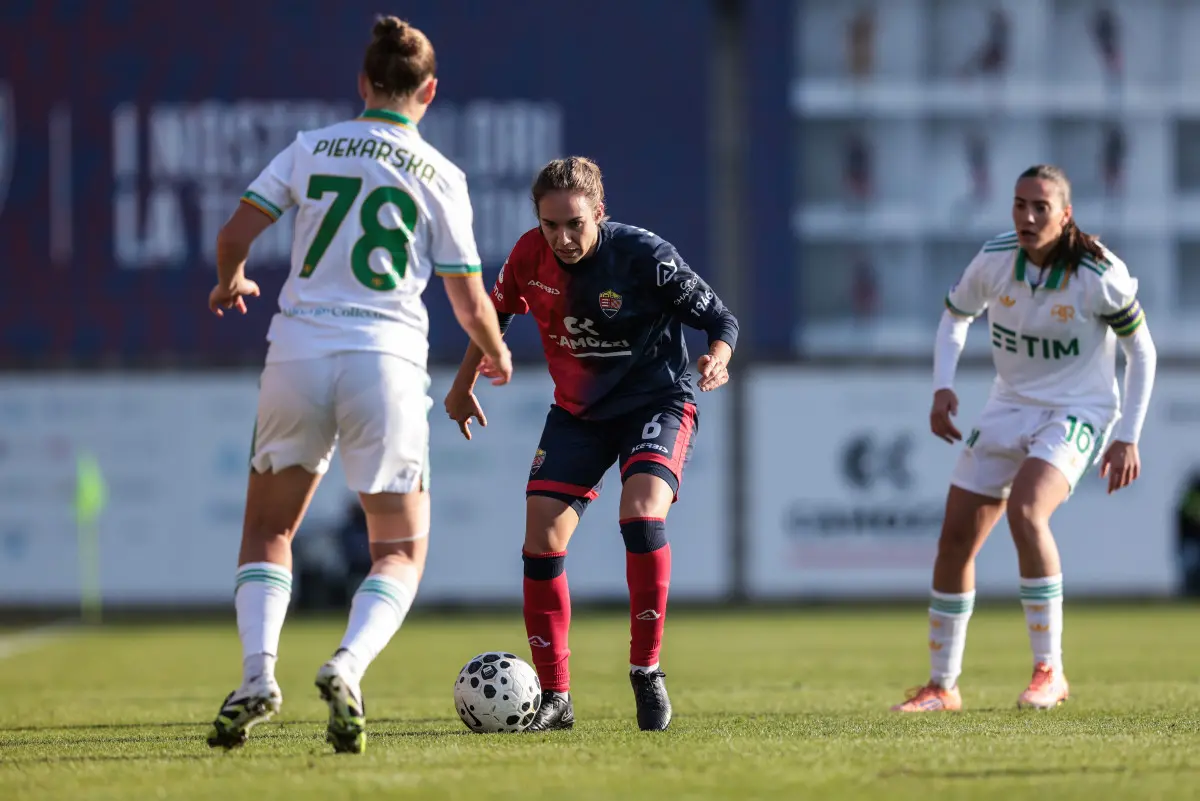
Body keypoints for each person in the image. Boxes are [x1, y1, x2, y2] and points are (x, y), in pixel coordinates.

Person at [204, 16, 512, 754]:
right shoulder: (439, 173)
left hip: (298, 353)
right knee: (398, 550)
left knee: (269, 531)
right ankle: (347, 664)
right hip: (386, 361)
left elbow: (233, 235)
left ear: (363, 82)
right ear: (429, 92)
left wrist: (230, 281)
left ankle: (256, 673)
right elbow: (470, 302)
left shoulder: (310, 148)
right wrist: (495, 351)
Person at [444, 157, 738, 732]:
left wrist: (718, 358)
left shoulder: (645, 256)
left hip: (657, 403)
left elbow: (721, 319)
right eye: (550, 225)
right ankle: (555, 697)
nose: (562, 238)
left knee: (641, 516)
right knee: (541, 539)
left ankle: (646, 671)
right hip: (579, 415)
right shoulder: (528, 256)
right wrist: (461, 386)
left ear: (599, 213)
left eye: (574, 224)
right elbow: (493, 318)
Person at [892, 164, 1157, 712]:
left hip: (1078, 409)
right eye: (1019, 204)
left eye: (1041, 207)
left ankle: (1049, 672)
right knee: (955, 539)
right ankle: (942, 686)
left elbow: (1141, 350)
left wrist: (1128, 435)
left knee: (1028, 511)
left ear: (1065, 215)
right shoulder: (995, 258)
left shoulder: (1098, 272)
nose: (1028, 217)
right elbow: (954, 318)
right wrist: (942, 388)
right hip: (1008, 404)